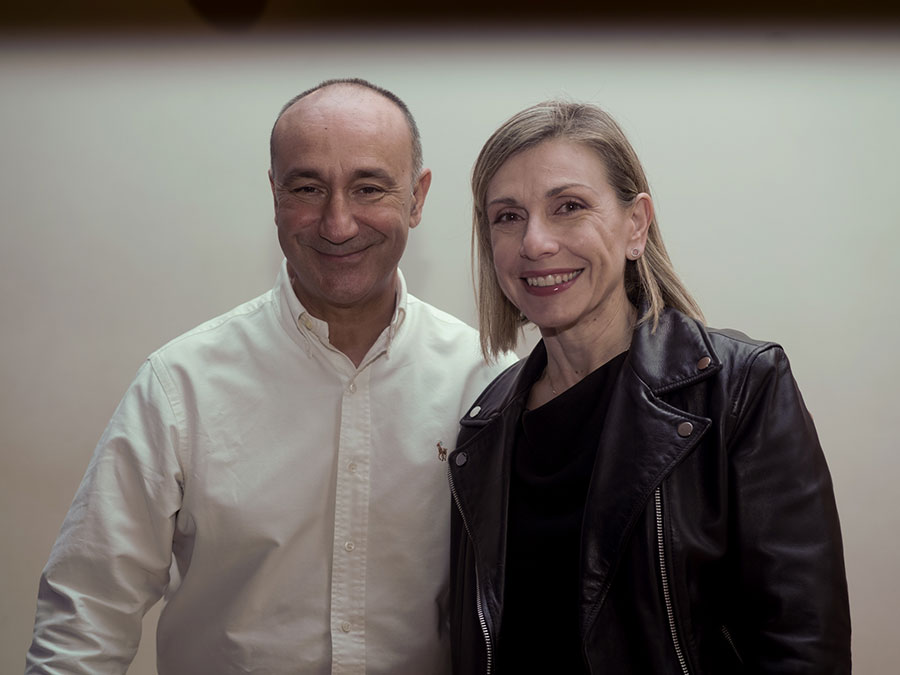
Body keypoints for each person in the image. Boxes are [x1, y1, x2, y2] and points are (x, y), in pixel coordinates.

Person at [26, 78, 514, 674]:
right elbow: (85, 619)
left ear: (417, 197)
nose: (337, 223)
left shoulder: (487, 385)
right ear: (275, 195)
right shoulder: (180, 387)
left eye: (368, 188)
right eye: (308, 188)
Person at [448, 101, 851, 674]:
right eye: (508, 216)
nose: (535, 242)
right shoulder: (483, 427)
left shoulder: (741, 389)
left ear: (636, 225)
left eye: (569, 207)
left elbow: (802, 647)